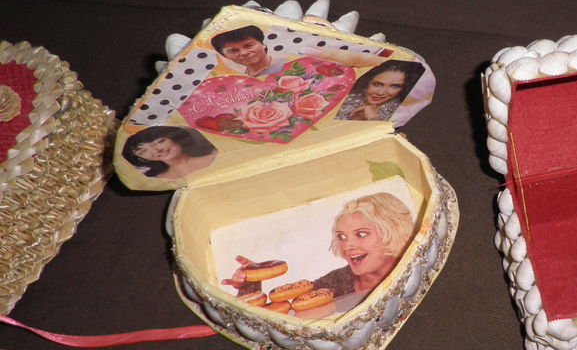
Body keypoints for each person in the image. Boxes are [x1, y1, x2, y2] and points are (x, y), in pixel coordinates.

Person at [224, 192, 415, 315]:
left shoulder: (412, 268)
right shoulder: (337, 281)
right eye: (341, 237)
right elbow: (284, 312)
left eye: (361, 234)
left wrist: (333, 307)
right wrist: (250, 283)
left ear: (393, 231)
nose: (348, 245)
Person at [335, 60, 424, 121]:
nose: (381, 93)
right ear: (368, 82)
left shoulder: (402, 113)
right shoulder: (347, 97)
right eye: (377, 84)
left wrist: (372, 120)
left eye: (394, 86)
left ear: (403, 88)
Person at [122, 125, 217, 179]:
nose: (156, 150)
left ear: (174, 138)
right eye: (143, 151)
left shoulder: (215, 156)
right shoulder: (156, 180)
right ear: (140, 158)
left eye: (160, 142)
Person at [210, 25, 286, 77]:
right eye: (233, 51)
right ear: (224, 55)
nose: (244, 53)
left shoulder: (287, 64)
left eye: (249, 45)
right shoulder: (240, 79)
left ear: (263, 44)